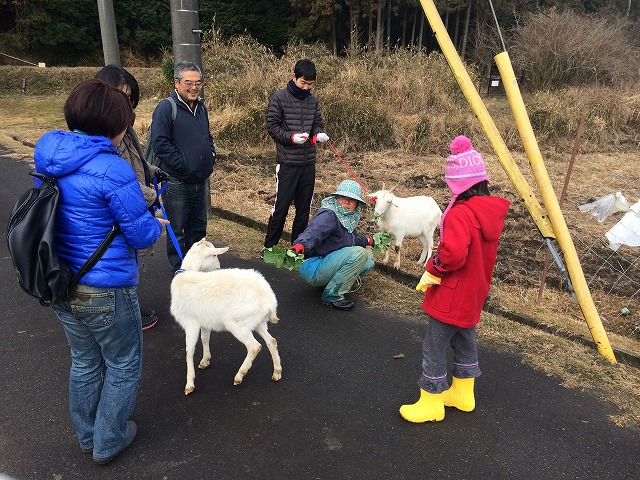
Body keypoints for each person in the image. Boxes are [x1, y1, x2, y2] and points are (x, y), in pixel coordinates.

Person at [33, 78, 168, 463]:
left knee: (85, 361)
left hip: (60, 279)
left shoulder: (48, 155)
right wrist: (153, 222)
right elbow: (140, 235)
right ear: (113, 124)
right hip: (106, 286)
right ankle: (110, 439)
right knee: (123, 364)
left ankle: (89, 436)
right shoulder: (112, 168)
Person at [399, 135, 510, 423]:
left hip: (452, 292)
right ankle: (463, 393)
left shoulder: (461, 213)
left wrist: (434, 266)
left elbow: (454, 254)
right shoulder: (487, 212)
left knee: (434, 344)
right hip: (474, 291)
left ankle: (431, 401)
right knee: (464, 338)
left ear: (457, 183)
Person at [95, 64, 169, 330]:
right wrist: (150, 196)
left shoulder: (124, 127)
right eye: (119, 95)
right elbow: (116, 178)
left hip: (132, 202)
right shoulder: (102, 134)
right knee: (118, 260)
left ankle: (127, 310)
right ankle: (126, 317)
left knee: (129, 259)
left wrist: (153, 171)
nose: (123, 102)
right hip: (118, 212)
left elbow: (134, 162)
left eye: (128, 97)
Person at [149, 60, 216, 273]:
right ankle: (181, 269)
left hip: (200, 180)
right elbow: (160, 143)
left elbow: (207, 137)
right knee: (177, 229)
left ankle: (197, 268)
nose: (194, 87)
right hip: (178, 181)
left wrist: (211, 155)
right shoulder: (166, 108)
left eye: (198, 83)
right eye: (189, 82)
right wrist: (183, 165)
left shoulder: (201, 108)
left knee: (198, 229)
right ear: (177, 83)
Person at [264, 58, 329, 251]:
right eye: (303, 83)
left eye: (310, 84)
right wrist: (291, 138)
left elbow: (317, 122)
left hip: (308, 162)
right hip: (287, 163)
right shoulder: (279, 97)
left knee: (304, 210)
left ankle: (297, 249)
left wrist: (318, 134)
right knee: (281, 207)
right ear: (294, 77)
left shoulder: (313, 100)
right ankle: (269, 246)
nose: (306, 87)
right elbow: (272, 127)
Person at [289, 179, 375, 311]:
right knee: (359, 254)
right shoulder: (329, 215)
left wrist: (367, 241)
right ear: (336, 198)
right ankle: (332, 295)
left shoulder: (348, 219)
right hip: (313, 265)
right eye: (343, 197)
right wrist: (300, 245)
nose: (346, 202)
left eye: (351, 199)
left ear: (357, 204)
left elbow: (348, 240)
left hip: (327, 261)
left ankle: (332, 283)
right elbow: (314, 232)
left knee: (368, 259)